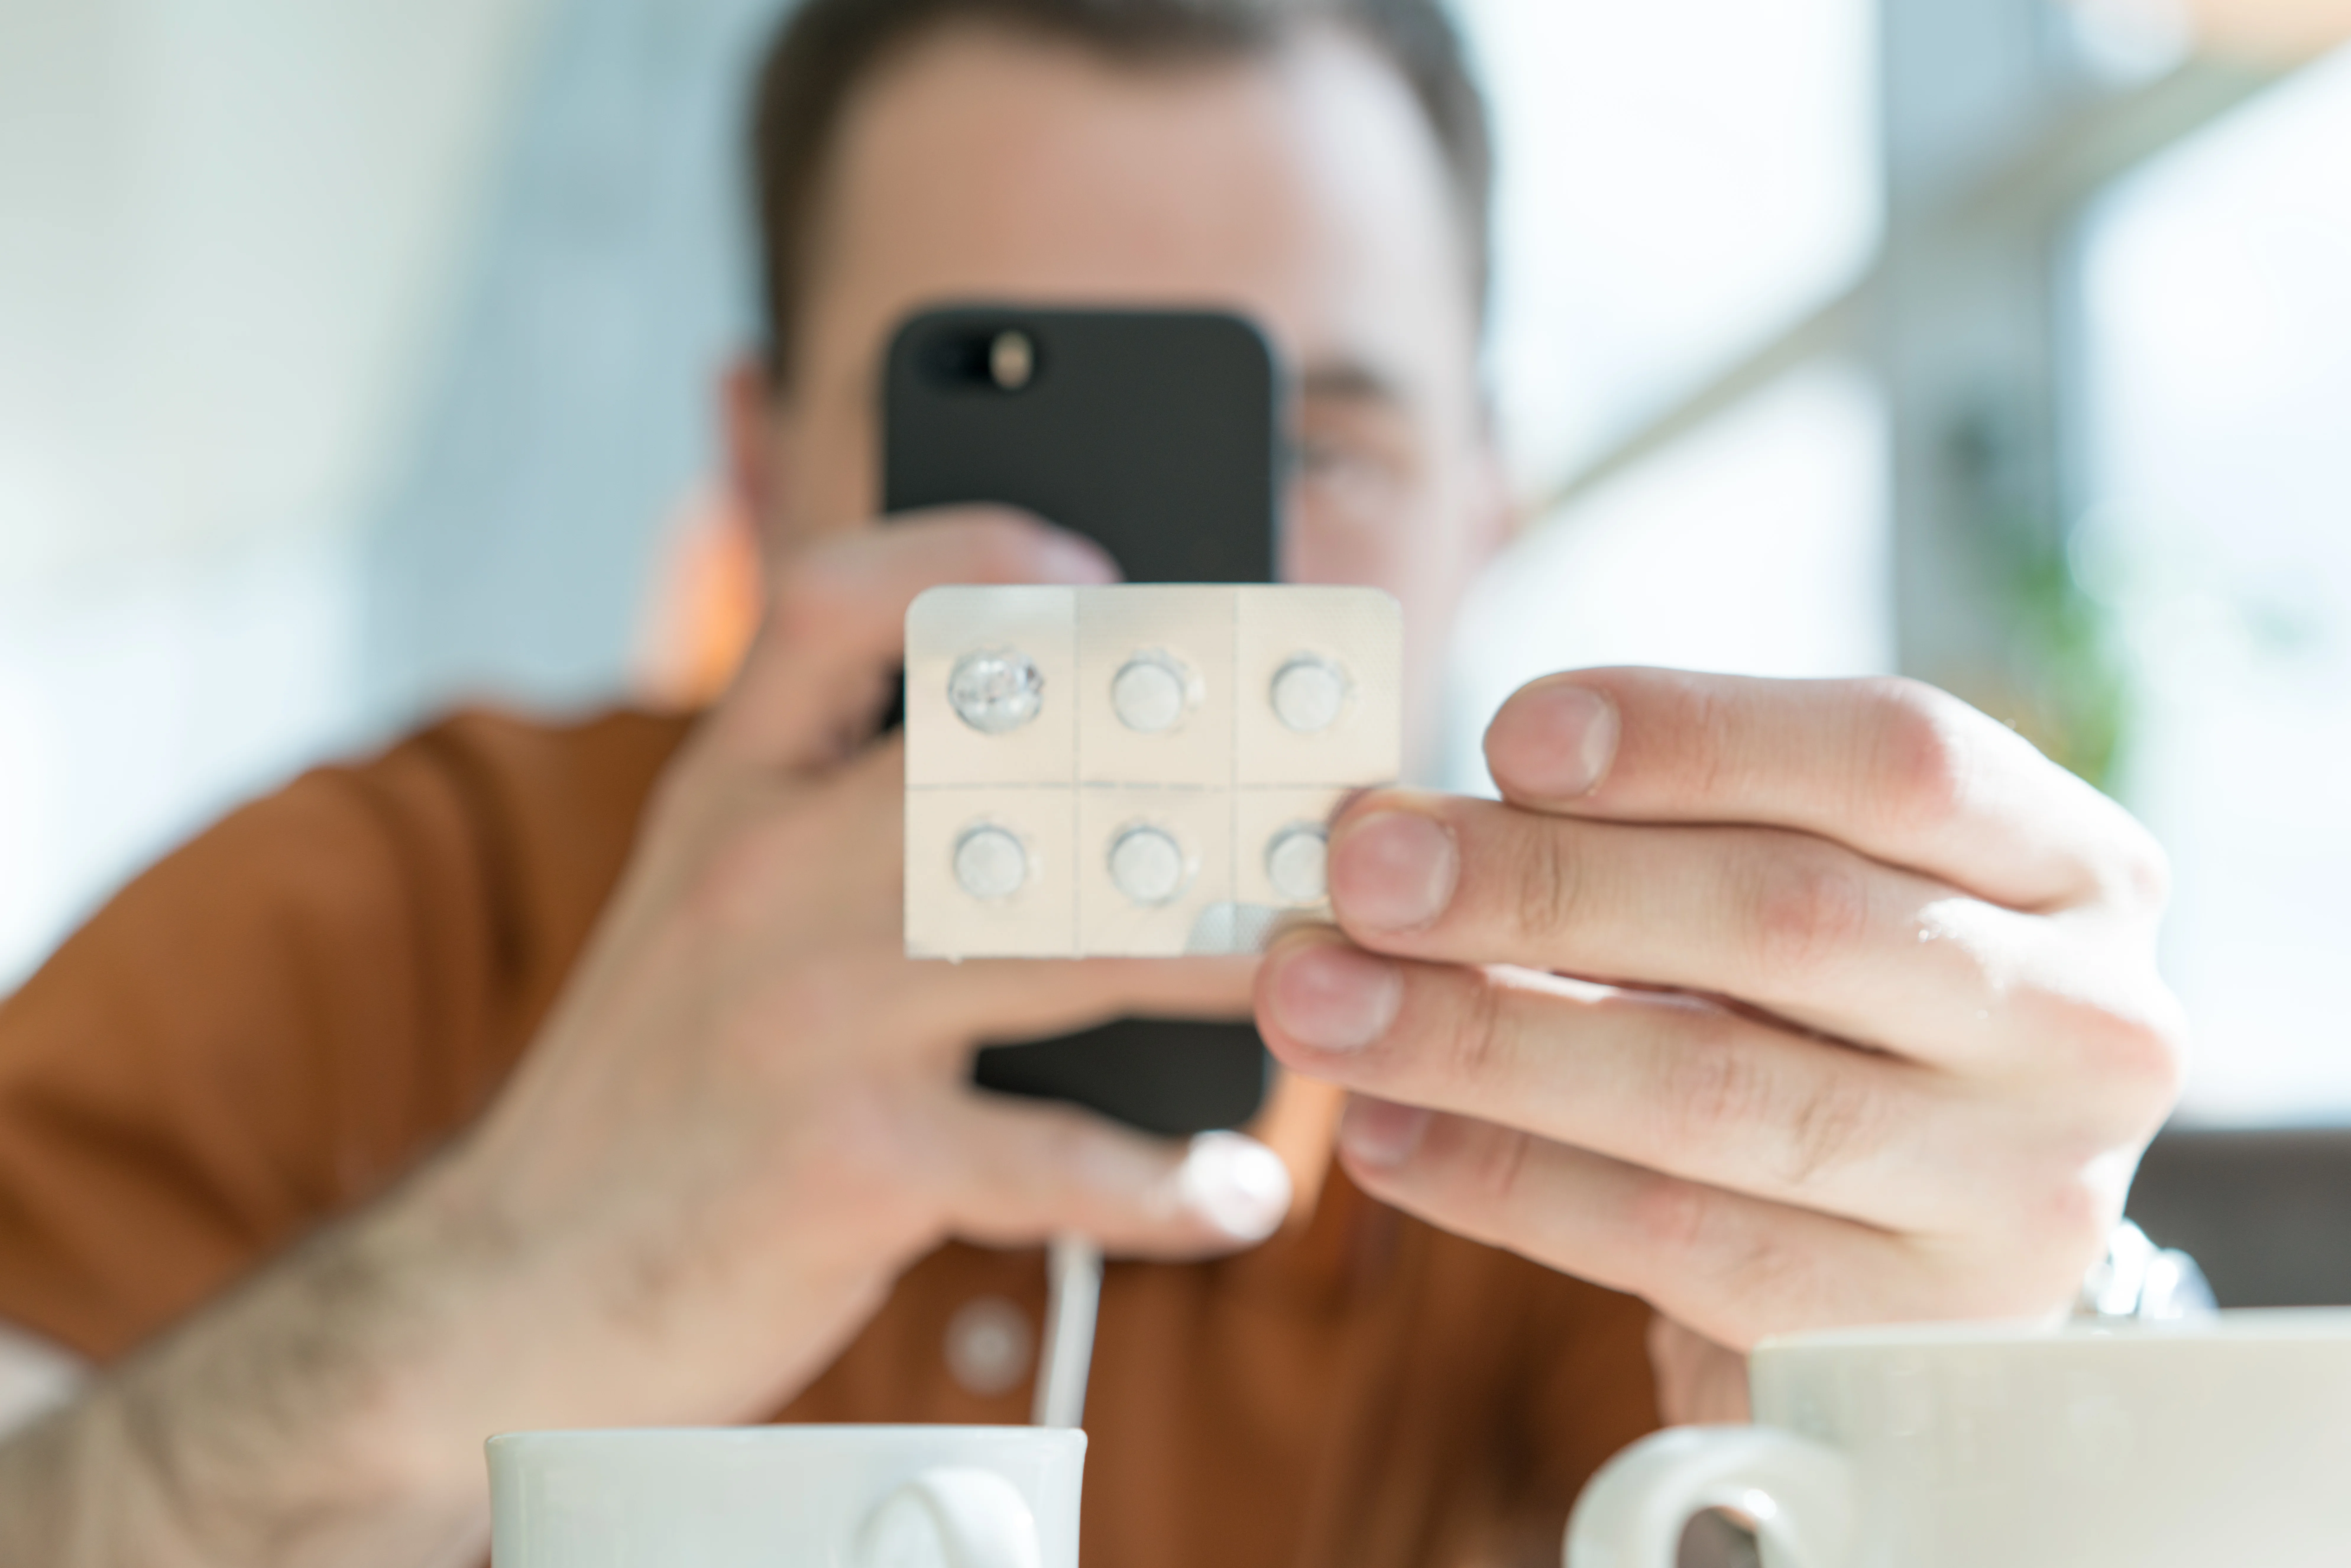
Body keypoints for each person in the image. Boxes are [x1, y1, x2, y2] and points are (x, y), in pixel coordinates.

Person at [0, 0, 2186, 1563]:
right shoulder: (402, 909)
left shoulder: (1622, 1093)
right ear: (762, 477)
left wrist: (2020, 1383)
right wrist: (465, 1298)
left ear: (1488, 497)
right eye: (1017, 444)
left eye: (1316, 450)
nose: (1175, 602)